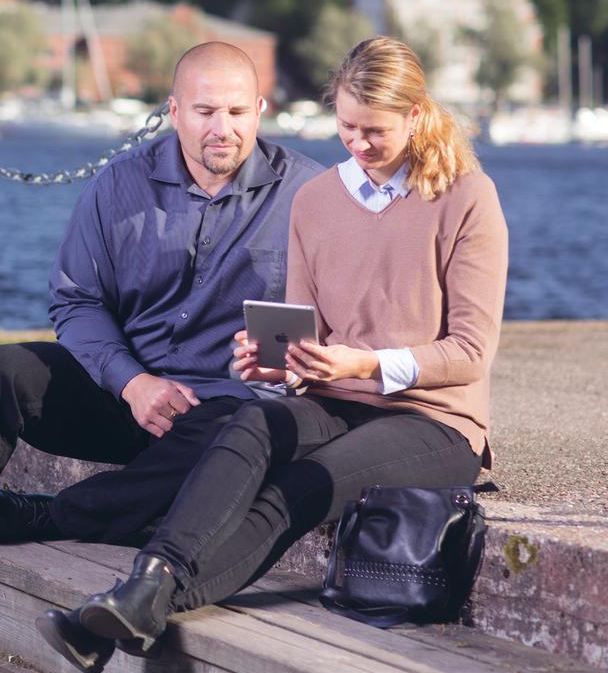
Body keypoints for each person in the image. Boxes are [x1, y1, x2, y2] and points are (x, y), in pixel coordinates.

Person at [0, 42, 323, 657]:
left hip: (223, 416)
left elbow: (331, 316)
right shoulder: (120, 185)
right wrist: (131, 382)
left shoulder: (309, 194)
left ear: (259, 109)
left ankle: (58, 514)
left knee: (244, 427)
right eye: (204, 112)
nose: (220, 129)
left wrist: (298, 362)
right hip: (125, 396)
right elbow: (77, 302)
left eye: (234, 112)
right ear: (173, 111)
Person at [39, 35, 509, 672]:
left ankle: (138, 602)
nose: (358, 144)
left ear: (416, 117)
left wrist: (364, 364)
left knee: (296, 488)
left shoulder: (466, 199)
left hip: (432, 419)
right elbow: (304, 334)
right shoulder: (316, 200)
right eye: (345, 127)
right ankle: (146, 584)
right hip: (335, 396)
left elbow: (470, 353)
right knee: (250, 418)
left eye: (375, 131)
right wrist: (273, 364)